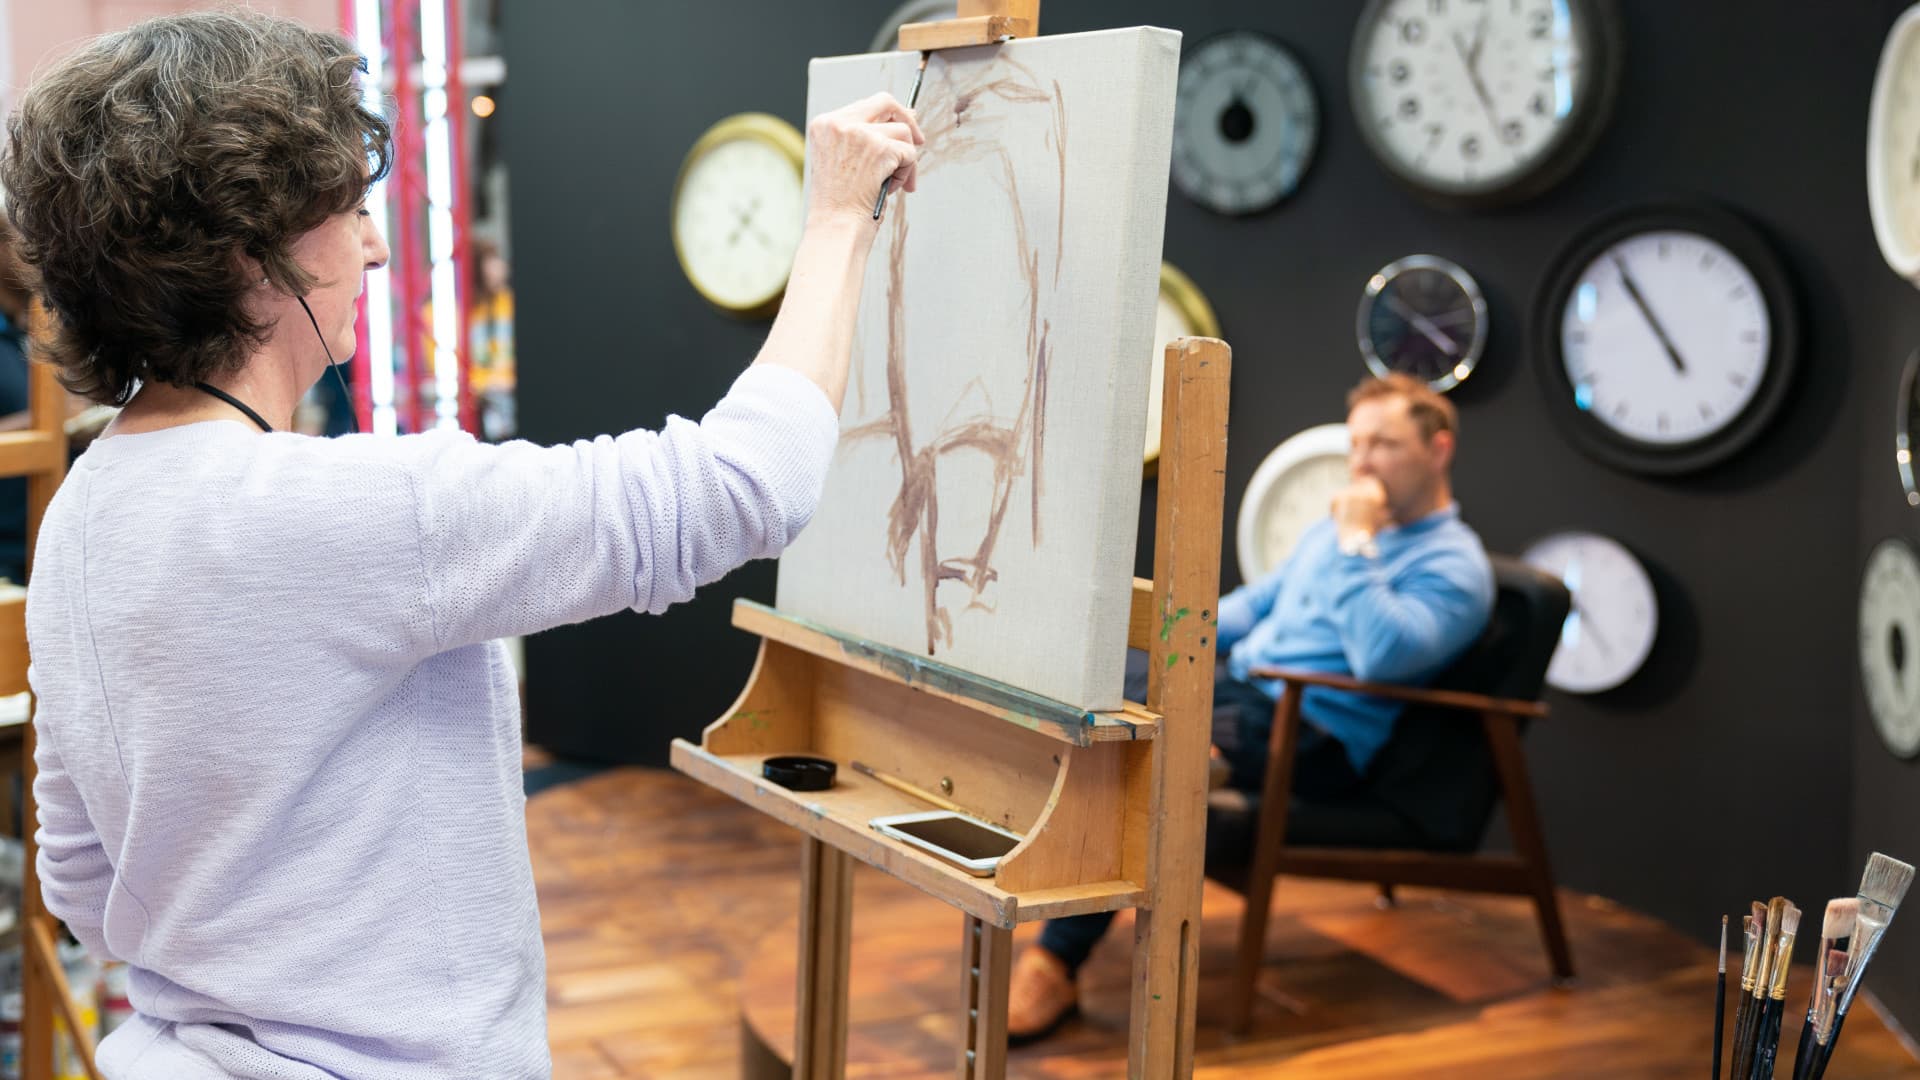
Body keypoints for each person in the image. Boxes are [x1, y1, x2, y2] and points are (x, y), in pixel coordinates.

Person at [2, 11, 921, 1078]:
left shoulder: (81, 514)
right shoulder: (355, 511)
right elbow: (741, 485)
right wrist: (839, 218)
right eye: (352, 212)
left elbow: (81, 888)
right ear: (256, 255)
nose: (378, 245)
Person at [1005, 372, 1498, 1043]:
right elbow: (1254, 607)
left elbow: (1381, 656)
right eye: (1356, 444)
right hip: (1242, 695)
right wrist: (1168, 636)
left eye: (1384, 445)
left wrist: (1358, 543)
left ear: (1438, 449)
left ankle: (1054, 961)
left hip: (1311, 735)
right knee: (1105, 672)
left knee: (1152, 751)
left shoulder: (1454, 565)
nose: (1362, 463)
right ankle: (1087, 819)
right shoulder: (1332, 532)